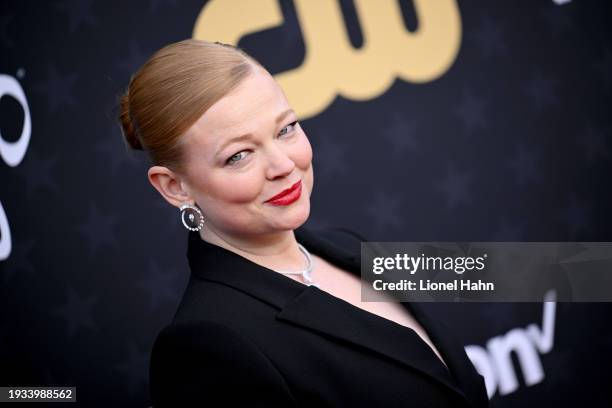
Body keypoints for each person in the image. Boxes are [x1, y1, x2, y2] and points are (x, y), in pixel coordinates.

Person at [118, 39, 489, 407]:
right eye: (239, 156)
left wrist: (543, 270)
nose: (283, 165)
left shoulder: (345, 246)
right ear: (174, 187)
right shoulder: (207, 345)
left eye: (286, 128)